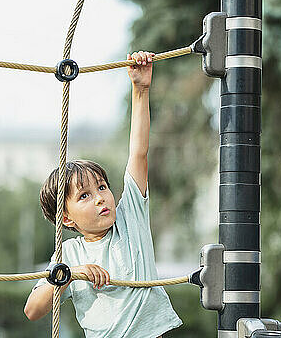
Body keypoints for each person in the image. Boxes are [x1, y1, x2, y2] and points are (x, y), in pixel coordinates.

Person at [24, 51, 182, 337]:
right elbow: (33, 309)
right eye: (84, 196)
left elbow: (139, 153)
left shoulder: (129, 216)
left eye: (101, 187)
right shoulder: (70, 253)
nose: (99, 197)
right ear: (67, 219)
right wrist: (71, 274)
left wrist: (140, 89)